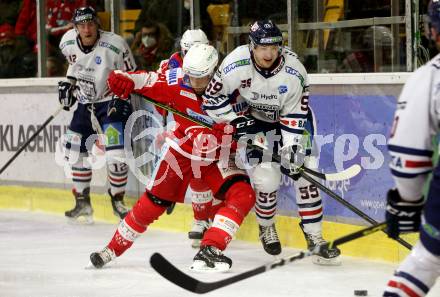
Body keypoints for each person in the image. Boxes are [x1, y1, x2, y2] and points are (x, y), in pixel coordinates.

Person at [89, 43, 256, 272]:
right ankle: (111, 249)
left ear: (214, 71)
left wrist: (248, 138)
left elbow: (253, 122)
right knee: (153, 204)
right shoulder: (177, 79)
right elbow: (144, 80)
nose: (195, 83)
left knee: (243, 194)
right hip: (181, 152)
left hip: (218, 156)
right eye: (191, 77)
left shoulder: (234, 86)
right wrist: (122, 78)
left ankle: (211, 249)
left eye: (201, 78)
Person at [202, 19, 341, 265]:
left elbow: (295, 114)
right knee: (266, 180)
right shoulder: (235, 63)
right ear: (252, 46)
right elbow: (211, 98)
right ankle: (266, 228)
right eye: (263, 47)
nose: (269, 53)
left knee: (306, 174)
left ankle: (315, 237)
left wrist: (291, 149)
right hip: (257, 122)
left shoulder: (295, 71)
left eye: (275, 47)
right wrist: (234, 121)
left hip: (294, 121)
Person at [383, 1, 440, 296]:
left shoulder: (429, 78)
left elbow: (409, 157)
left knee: (425, 260)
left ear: (433, 31)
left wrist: (408, 202)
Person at [58, 6, 136, 223]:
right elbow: (74, 67)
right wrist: (68, 85)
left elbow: (133, 75)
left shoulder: (115, 44)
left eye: (90, 24)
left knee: (116, 156)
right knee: (74, 149)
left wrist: (124, 94)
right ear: (75, 28)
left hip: (111, 103)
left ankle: (117, 200)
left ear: (97, 25)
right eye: (81, 25)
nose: (87, 29)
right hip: (85, 103)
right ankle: (82, 202)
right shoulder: (67, 42)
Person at [158, 28, 225, 248]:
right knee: (195, 173)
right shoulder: (170, 66)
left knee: (215, 175)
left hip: (213, 126)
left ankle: (212, 220)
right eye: (187, 51)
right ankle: (199, 219)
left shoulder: (220, 67)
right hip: (183, 124)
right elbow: (160, 92)